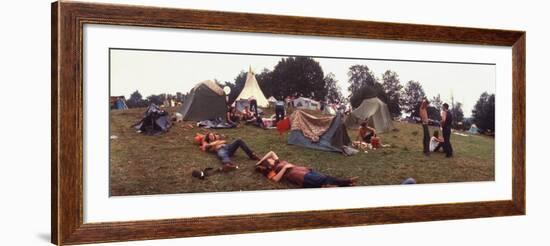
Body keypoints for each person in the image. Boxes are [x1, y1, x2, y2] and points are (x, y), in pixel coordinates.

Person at [255, 151, 357, 188]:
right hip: (298, 176)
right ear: (268, 164)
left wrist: (260, 161)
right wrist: (284, 168)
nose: (271, 159)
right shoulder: (272, 170)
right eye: (269, 160)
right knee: (323, 179)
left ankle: (346, 184)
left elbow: (271, 152)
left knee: (322, 179)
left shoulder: (277, 162)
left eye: (270, 159)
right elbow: (275, 179)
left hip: (303, 170)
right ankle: (347, 182)